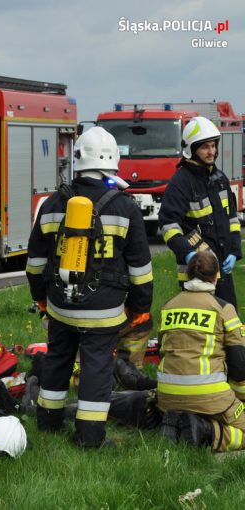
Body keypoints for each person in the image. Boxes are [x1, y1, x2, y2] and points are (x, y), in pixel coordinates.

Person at [25, 126, 153, 448]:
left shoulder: (53, 204)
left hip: (59, 305)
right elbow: (140, 270)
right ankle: (90, 438)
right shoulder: (126, 207)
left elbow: (35, 265)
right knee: (96, 366)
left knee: (57, 360)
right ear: (114, 162)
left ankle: (48, 423)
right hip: (104, 311)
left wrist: (42, 300)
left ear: (77, 160)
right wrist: (139, 309)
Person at [159, 251, 245, 451]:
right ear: (216, 277)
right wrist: (240, 398)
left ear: (188, 275)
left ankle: (183, 423)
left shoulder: (167, 307)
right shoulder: (224, 308)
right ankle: (207, 432)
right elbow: (239, 362)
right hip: (210, 395)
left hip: (167, 396)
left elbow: (164, 351)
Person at [158, 116, 241, 307]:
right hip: (196, 274)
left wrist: (234, 252)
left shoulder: (220, 179)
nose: (211, 151)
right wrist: (189, 255)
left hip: (223, 270)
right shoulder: (180, 183)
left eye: (213, 145)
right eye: (205, 147)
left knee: (229, 319)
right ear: (191, 150)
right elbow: (169, 225)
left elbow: (232, 219)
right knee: (200, 330)